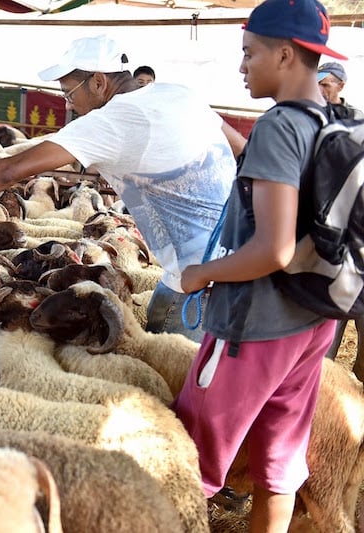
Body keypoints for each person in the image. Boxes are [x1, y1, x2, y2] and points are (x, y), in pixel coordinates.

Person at [0, 34, 245, 343]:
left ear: (98, 82)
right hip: (245, 260)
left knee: (182, 390)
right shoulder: (179, 94)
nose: (67, 104)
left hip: (200, 283)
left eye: (69, 92)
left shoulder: (111, 121)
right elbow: (243, 148)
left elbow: (8, 171)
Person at [173, 0, 343, 530]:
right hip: (313, 320)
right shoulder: (334, 118)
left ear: (286, 54)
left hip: (255, 325)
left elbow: (273, 250)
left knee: (185, 463)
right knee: (279, 465)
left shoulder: (279, 126)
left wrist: (202, 275)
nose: (242, 67)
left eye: (249, 54)